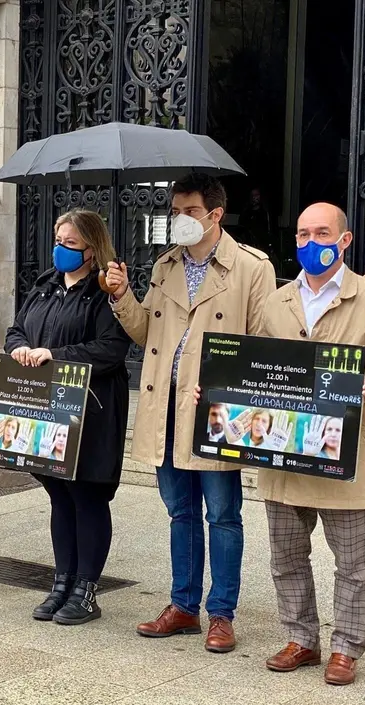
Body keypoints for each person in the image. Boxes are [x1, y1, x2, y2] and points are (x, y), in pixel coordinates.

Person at [103, 173, 276, 652]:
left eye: (190, 211)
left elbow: (262, 344)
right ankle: (183, 606)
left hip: (214, 409)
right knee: (180, 511)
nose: (179, 219)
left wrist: (229, 392)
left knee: (222, 514)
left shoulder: (251, 267)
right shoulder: (166, 264)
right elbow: (147, 334)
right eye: (175, 210)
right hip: (166, 405)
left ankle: (221, 613)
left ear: (215, 214)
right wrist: (122, 296)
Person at [256, 202, 365, 686]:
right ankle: (301, 639)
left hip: (343, 452)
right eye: (303, 234)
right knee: (286, 557)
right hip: (283, 450)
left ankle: (346, 647)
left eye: (322, 233)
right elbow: (255, 364)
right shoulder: (277, 301)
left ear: (345, 241)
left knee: (353, 563)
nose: (311, 242)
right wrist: (219, 392)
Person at [5, 208, 131, 624]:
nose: (61, 249)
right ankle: (62, 583)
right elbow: (16, 330)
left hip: (92, 410)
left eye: (70, 244)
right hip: (48, 407)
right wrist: (20, 349)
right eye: (58, 241)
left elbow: (112, 349)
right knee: (59, 494)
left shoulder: (105, 291)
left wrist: (55, 355)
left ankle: (86, 589)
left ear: (92, 249)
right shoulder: (45, 285)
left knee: (86, 496)